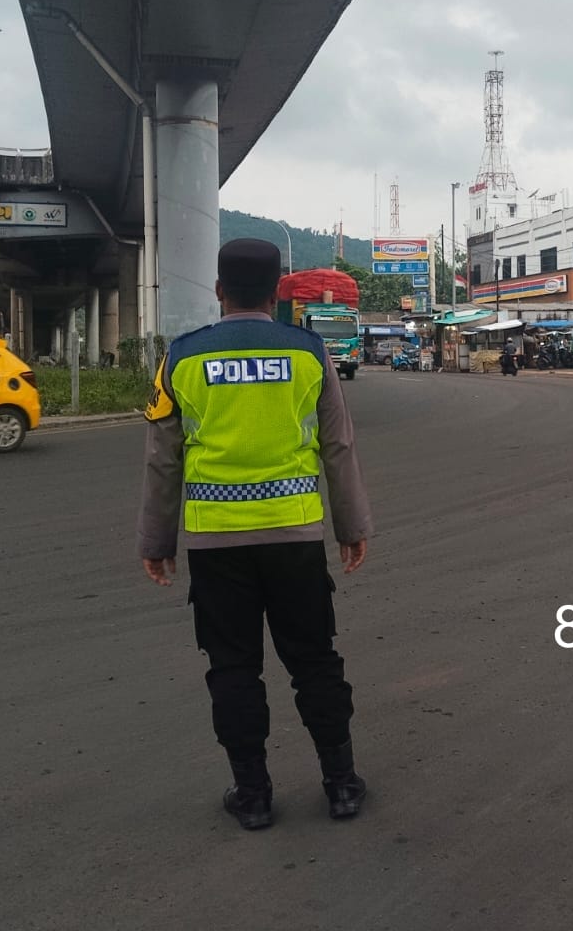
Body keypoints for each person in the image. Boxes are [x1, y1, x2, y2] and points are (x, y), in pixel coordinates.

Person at [136, 238, 373, 831]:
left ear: (219, 290)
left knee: (233, 667)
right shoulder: (309, 353)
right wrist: (351, 527)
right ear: (276, 294)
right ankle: (341, 784)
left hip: (216, 545)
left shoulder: (182, 357)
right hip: (295, 539)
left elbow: (163, 458)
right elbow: (338, 446)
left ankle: (253, 794)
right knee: (315, 661)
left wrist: (156, 542)